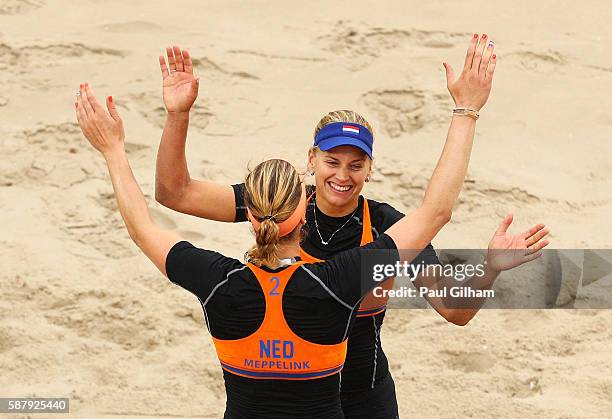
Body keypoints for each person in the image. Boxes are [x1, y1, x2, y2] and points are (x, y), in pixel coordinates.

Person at [153, 35, 549, 418]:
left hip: (366, 399)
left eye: (356, 165)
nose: (342, 176)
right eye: (332, 161)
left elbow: (454, 310)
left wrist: (492, 267)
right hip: (290, 401)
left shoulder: (384, 226)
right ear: (311, 158)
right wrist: (178, 114)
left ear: (370, 169)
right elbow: (175, 193)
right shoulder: (280, 202)